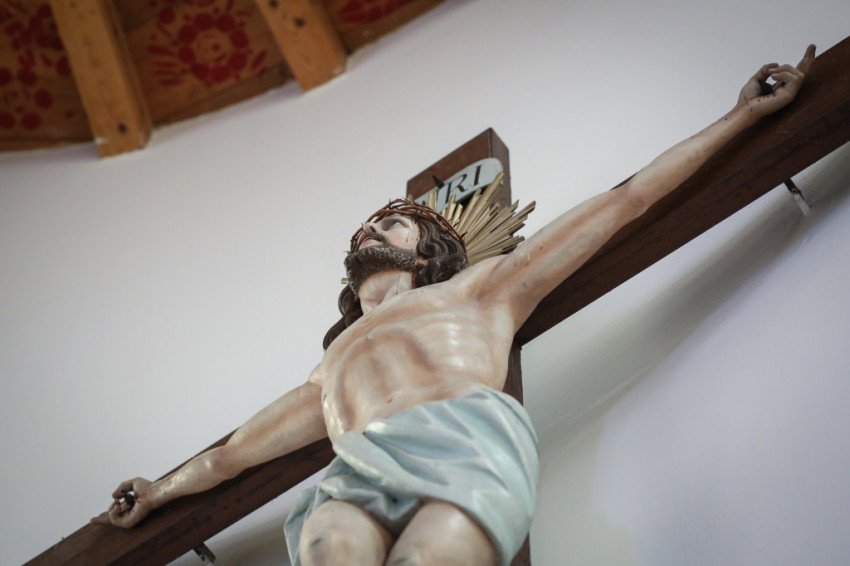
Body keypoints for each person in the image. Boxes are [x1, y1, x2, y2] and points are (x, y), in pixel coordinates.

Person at [95, 46, 815, 566]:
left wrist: (740, 117)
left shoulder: (481, 288)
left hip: (464, 448)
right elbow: (229, 457)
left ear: (427, 251)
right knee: (331, 546)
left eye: (391, 223)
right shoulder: (327, 372)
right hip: (357, 473)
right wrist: (158, 493)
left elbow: (626, 201)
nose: (371, 231)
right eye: (364, 230)